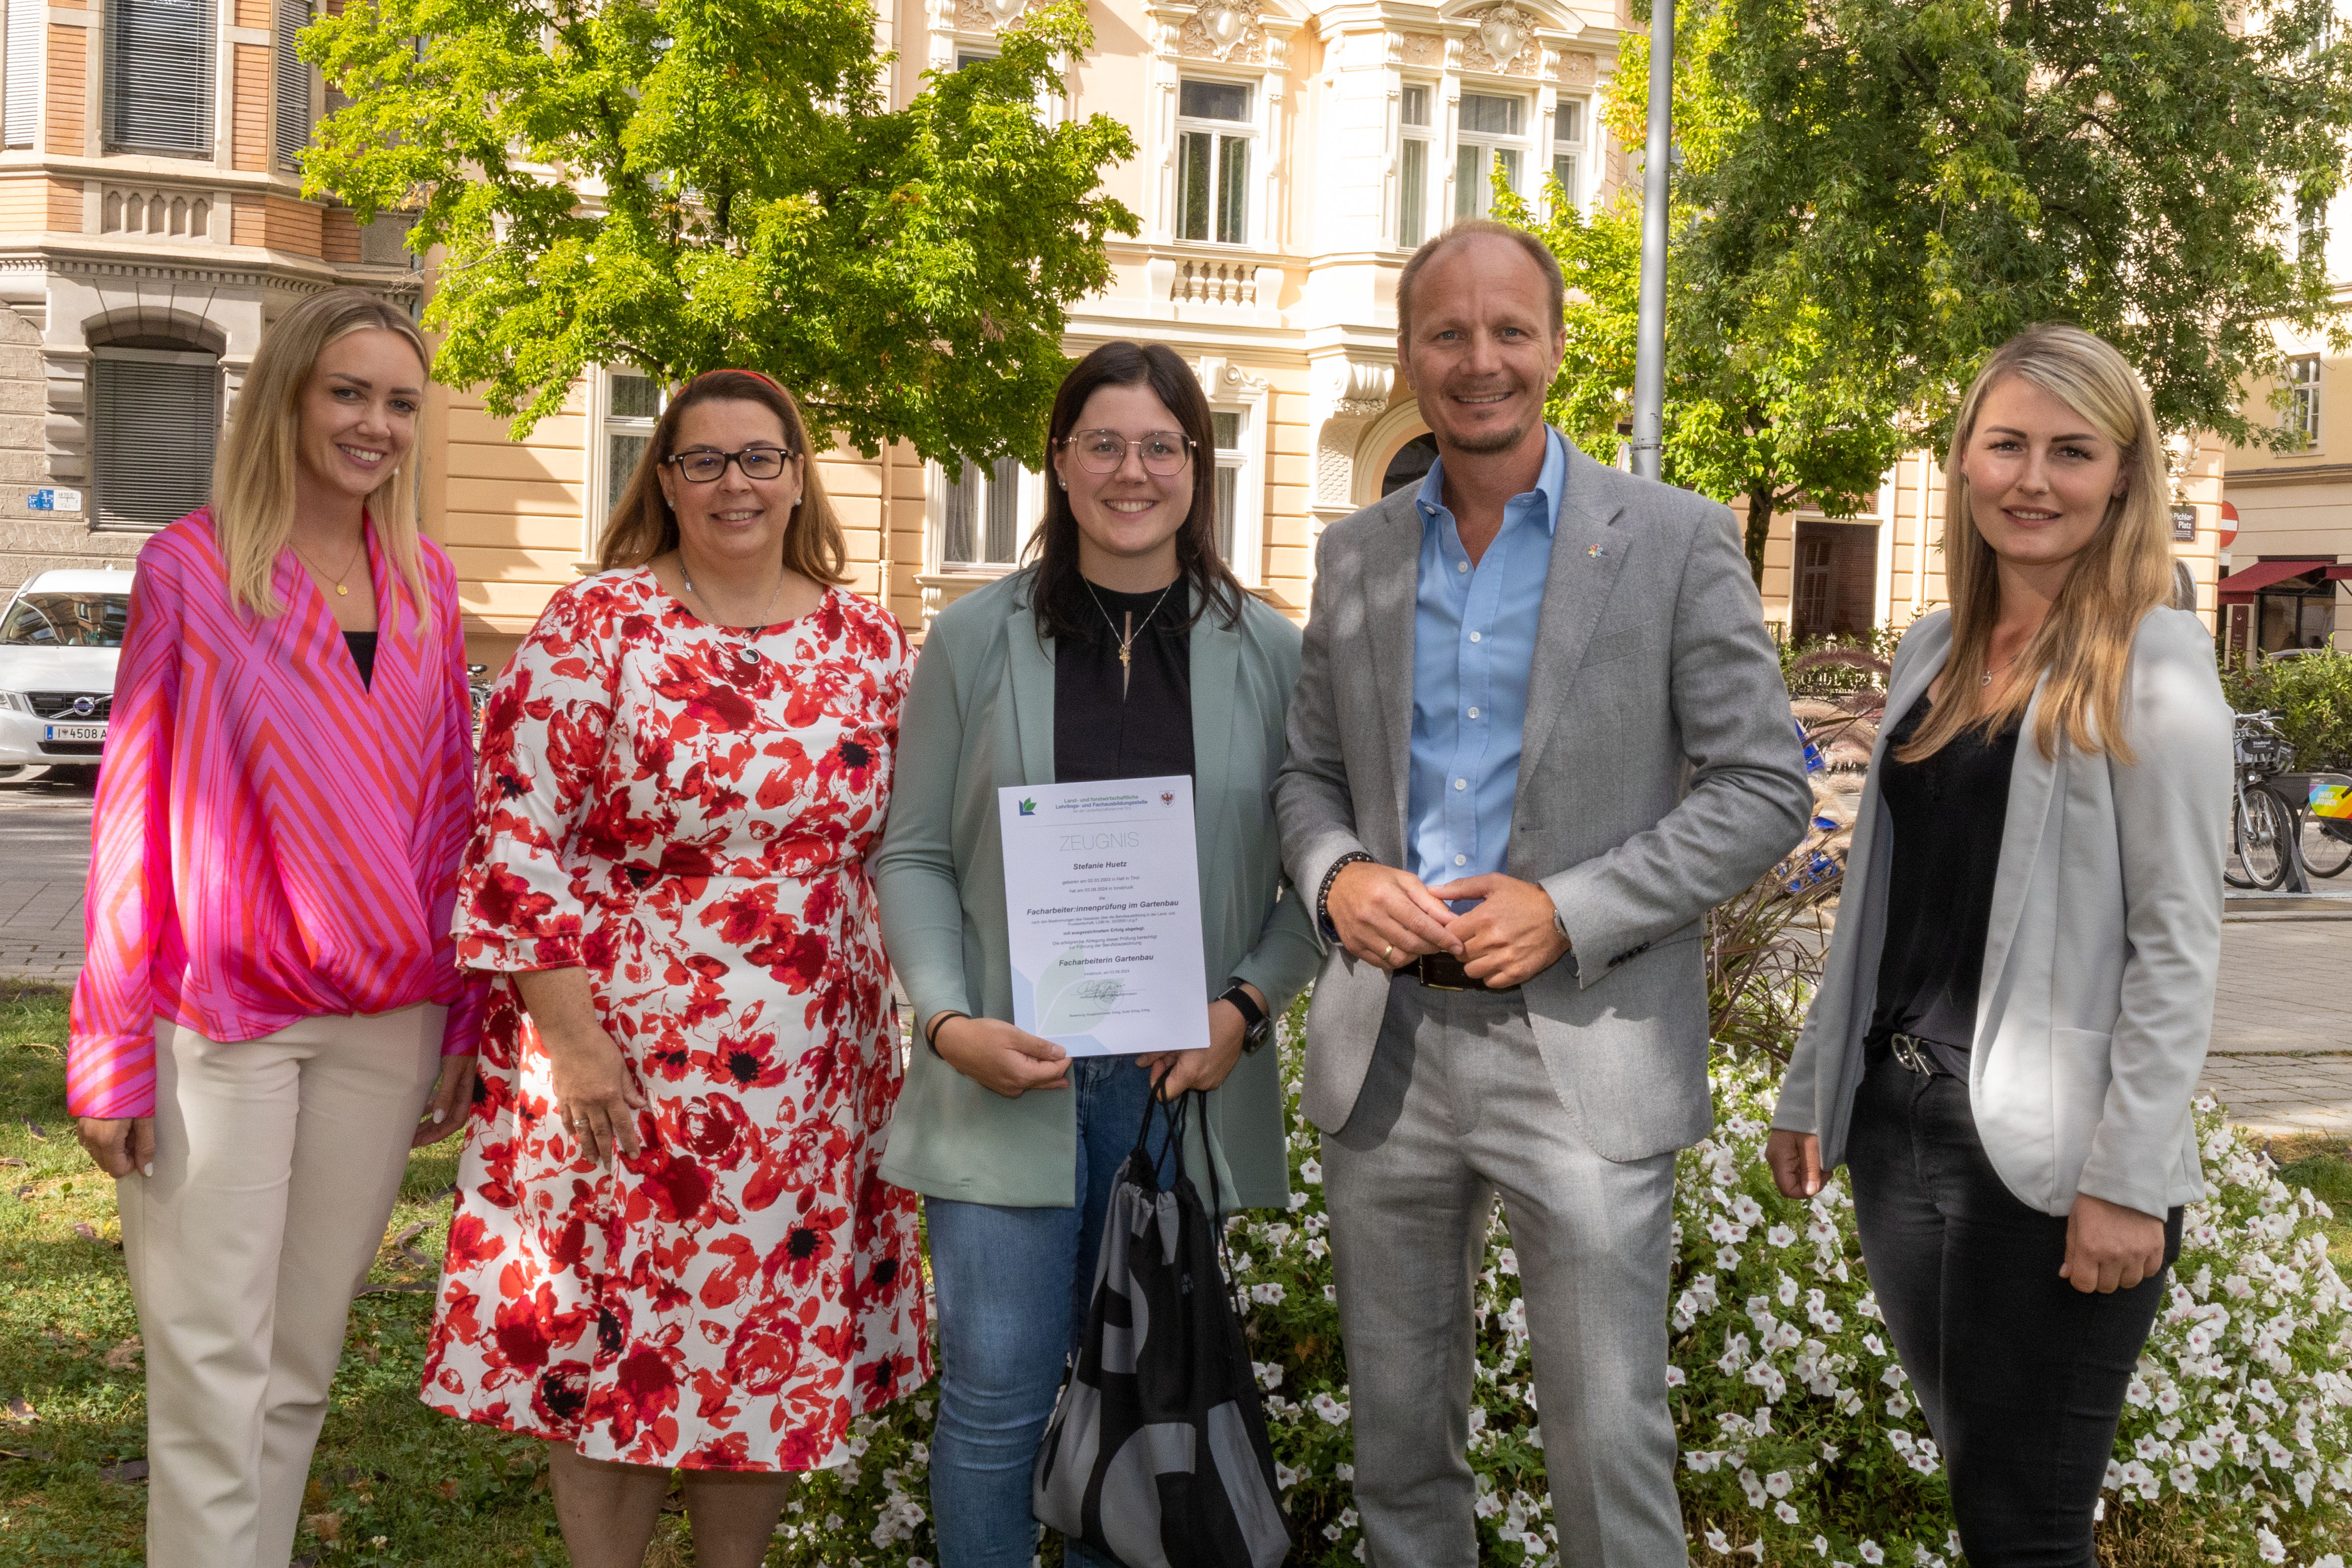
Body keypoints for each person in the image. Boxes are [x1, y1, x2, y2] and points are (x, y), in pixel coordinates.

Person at [1272, 220, 1812, 1566]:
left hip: (1584, 1045)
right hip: (1384, 1050)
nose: (1478, 359)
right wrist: (1336, 873)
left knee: (1606, 1443)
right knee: (1400, 1448)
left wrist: (1567, 906)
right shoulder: (1353, 556)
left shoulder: (1675, 541)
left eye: (1509, 329)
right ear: (1410, 354)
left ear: (1558, 347)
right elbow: (1303, 779)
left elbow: (1762, 787)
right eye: (1447, 333)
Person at [419, 370, 928, 1568]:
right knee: (615, 1336)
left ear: (800, 475)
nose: (735, 484)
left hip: (809, 1076)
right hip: (620, 1062)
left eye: (761, 458)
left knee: (767, 1333)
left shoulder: (868, 643)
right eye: (704, 461)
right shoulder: (597, 624)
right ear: (665, 479)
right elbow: (514, 837)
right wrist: (574, 1043)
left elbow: (917, 845)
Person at [1766, 324, 2230, 1564]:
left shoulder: (2158, 661)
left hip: (2049, 1162)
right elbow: (1878, 899)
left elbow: (2177, 946)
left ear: (2125, 476)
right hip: (1901, 1132)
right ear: (1964, 460)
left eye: (2071, 452)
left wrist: (2128, 1179)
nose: (2033, 480)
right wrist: (1814, 1086)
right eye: (2007, 444)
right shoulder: (1934, 649)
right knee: (1986, 1497)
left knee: (2025, 1528)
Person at [872, 341, 1321, 1568]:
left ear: (1197, 467)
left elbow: (1316, 881)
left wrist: (1243, 1006)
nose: (1134, 471)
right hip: (1005, 1076)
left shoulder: (1274, 655)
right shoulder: (972, 641)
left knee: (1144, 1414)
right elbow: (909, 854)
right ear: (1059, 466)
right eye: (1104, 444)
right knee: (996, 1410)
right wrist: (947, 1020)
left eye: (1161, 446)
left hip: (1174, 1092)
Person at [67, 287, 486, 1566]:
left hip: (387, 1025)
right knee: (209, 1372)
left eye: (400, 401)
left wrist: (465, 1008)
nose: (375, 422)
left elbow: (453, 801)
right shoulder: (194, 565)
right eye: (347, 392)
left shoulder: (428, 580)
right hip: (221, 1022)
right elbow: (134, 806)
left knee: (299, 1363)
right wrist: (110, 1043)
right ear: (290, 397)